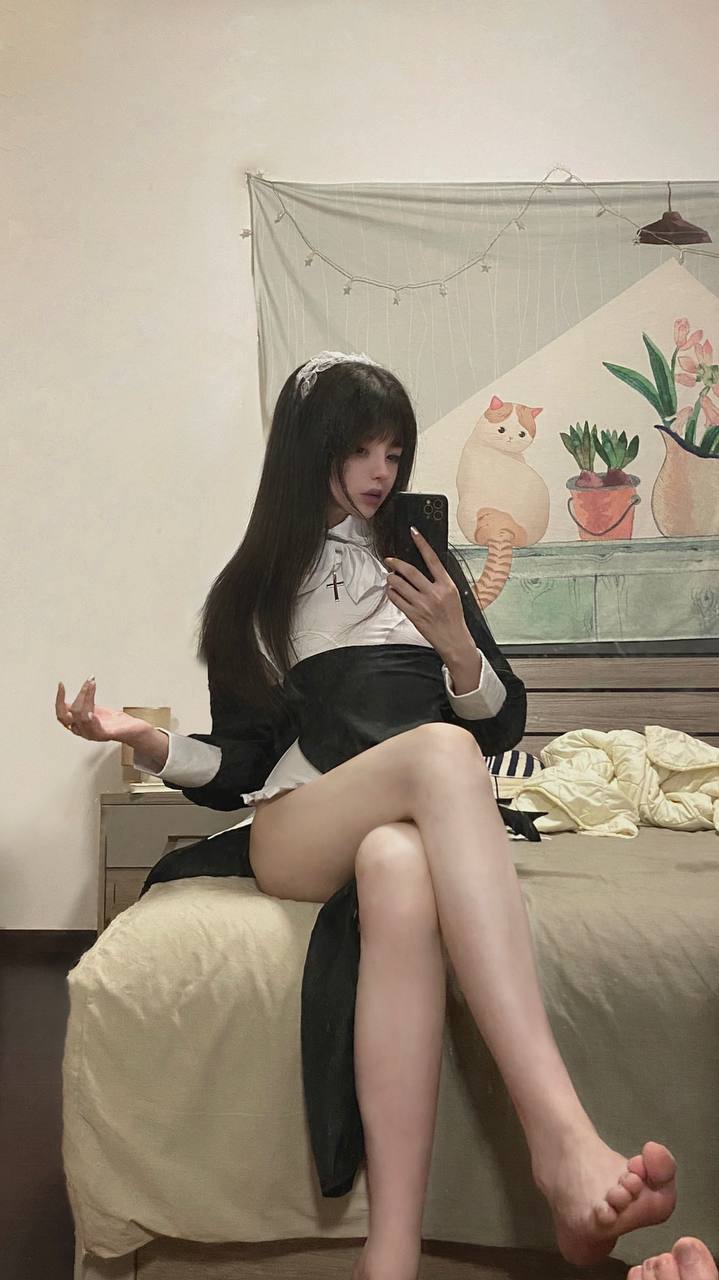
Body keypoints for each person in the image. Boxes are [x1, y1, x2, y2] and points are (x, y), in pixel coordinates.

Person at [57, 351, 678, 1280]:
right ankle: (558, 1139)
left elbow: (502, 721)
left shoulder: (422, 562)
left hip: (407, 820)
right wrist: (144, 740)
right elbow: (240, 767)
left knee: (397, 862)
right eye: (358, 449)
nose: (380, 471)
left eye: (393, 451)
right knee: (441, 755)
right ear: (309, 450)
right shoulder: (255, 590)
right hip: (298, 822)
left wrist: (457, 644)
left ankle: (389, 1255)